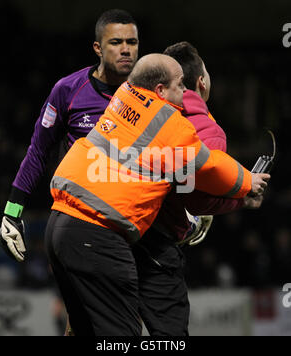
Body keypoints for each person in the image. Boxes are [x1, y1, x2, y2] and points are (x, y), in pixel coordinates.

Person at [44, 53, 269, 336]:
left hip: (59, 225)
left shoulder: (122, 96)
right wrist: (249, 182)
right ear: (160, 90)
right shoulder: (169, 122)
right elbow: (209, 165)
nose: (184, 91)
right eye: (178, 85)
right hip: (98, 235)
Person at [133, 42, 265, 336]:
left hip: (112, 235)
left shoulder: (138, 110)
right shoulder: (207, 129)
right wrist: (241, 199)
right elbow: (195, 198)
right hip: (155, 246)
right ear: (201, 82)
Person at [0, 9, 139, 262]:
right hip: (81, 221)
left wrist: (190, 205)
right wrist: (12, 212)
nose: (126, 49)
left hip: (137, 222)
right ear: (98, 48)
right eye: (116, 42)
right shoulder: (68, 90)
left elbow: (173, 151)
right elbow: (38, 151)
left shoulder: (151, 91)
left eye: (132, 42)